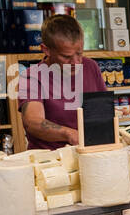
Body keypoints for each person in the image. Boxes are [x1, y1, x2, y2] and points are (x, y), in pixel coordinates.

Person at [21, 14, 105, 150]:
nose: (75, 62)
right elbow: (33, 122)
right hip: (50, 159)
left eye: (79, 54)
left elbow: (102, 111)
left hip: (89, 151)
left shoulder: (91, 66)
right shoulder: (32, 76)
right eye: (66, 56)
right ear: (46, 50)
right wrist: (69, 134)